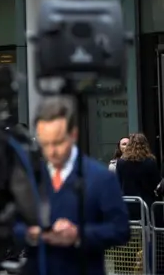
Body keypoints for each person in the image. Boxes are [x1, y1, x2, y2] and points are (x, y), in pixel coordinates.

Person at [15, 96, 130, 275]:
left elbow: (121, 229)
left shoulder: (100, 177)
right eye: (45, 144)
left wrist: (78, 234)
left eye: (58, 142)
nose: (51, 151)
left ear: (73, 135)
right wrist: (31, 233)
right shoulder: (31, 177)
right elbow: (11, 225)